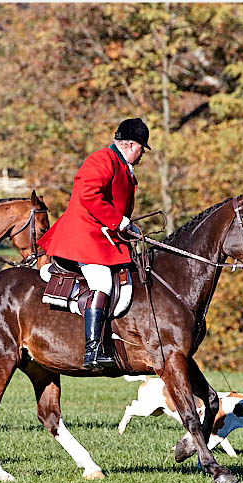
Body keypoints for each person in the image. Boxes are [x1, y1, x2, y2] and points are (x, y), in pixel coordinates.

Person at [37, 118, 149, 369]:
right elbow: (88, 195)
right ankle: (92, 349)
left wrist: (125, 226)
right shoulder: (102, 159)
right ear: (131, 145)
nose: (142, 155)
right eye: (142, 149)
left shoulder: (121, 164)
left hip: (102, 236)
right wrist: (117, 220)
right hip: (84, 236)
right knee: (102, 281)